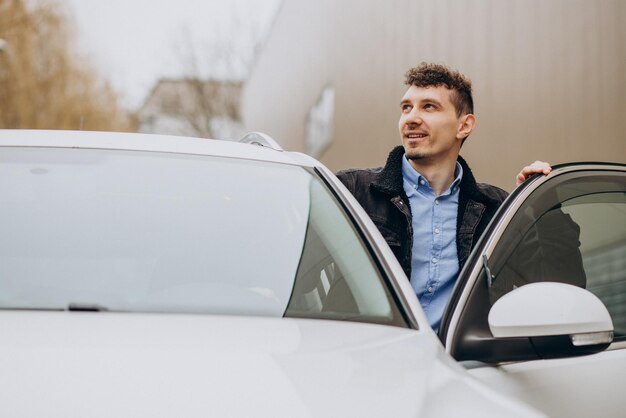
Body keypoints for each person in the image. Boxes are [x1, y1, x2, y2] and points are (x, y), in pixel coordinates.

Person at [336, 63, 551, 331]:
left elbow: (555, 285)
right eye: (406, 107)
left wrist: (536, 204)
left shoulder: (496, 208)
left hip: (458, 365)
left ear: (465, 125)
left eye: (429, 107)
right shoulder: (351, 191)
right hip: (371, 359)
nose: (411, 118)